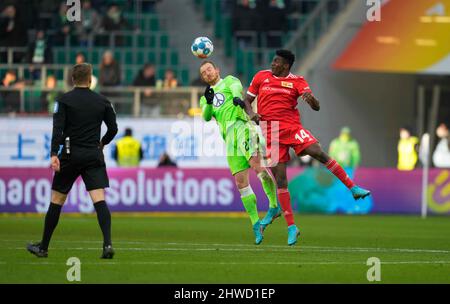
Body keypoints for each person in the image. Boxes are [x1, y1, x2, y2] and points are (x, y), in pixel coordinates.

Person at [239, 49, 371, 245]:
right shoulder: (261, 77)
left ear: (286, 65)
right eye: (273, 61)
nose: (273, 64)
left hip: (292, 128)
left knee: (317, 152)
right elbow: (246, 101)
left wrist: (312, 101)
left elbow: (315, 105)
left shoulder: (297, 81)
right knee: (281, 180)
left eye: (276, 62)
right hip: (271, 131)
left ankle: (353, 188)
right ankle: (292, 227)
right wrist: (251, 113)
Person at [26, 63, 118, 259]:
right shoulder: (102, 101)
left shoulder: (64, 100)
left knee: (57, 201)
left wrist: (53, 154)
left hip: (70, 154)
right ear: (90, 78)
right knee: (99, 200)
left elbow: (57, 129)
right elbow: (113, 129)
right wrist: (102, 143)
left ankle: (43, 247)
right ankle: (107, 244)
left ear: (72, 79)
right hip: (93, 155)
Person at [199, 60, 280, 245]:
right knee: (240, 182)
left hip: (242, 127)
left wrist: (237, 98)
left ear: (217, 69)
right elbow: (205, 116)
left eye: (209, 69)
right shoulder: (205, 97)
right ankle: (255, 224)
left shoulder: (229, 80)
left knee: (257, 166)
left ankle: (274, 206)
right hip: (228, 138)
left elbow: (237, 89)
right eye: (203, 73)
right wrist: (210, 102)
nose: (207, 74)